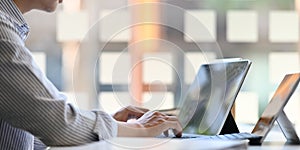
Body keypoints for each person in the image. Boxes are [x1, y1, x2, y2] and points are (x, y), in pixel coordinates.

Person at [0, 0, 182, 149]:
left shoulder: (9, 27)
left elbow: (31, 132)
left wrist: (109, 125)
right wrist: (139, 127)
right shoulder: (2, 33)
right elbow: (57, 123)